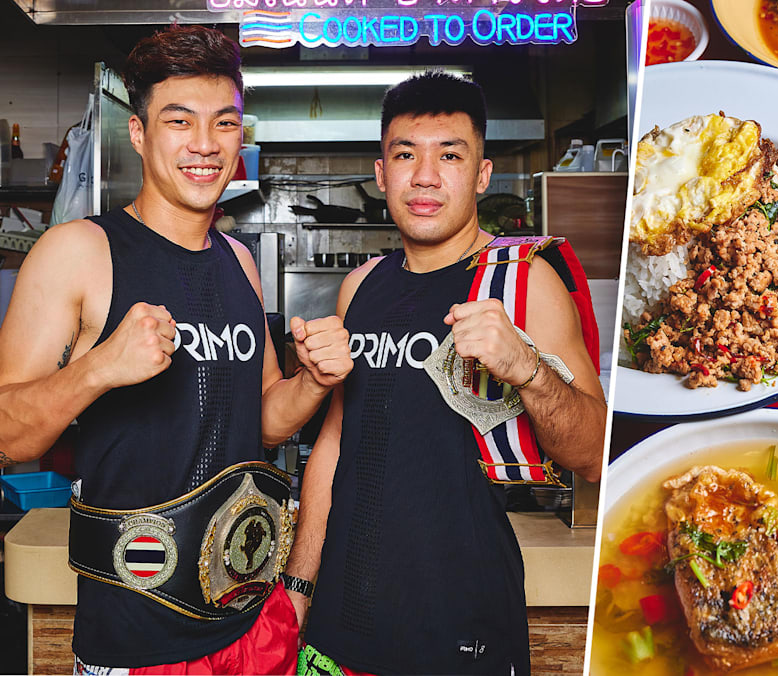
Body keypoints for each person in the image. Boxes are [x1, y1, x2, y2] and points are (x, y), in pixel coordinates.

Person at [0, 25, 352, 674]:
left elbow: (267, 419)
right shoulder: (78, 253)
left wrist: (314, 380)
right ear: (138, 134)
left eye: (224, 123)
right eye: (178, 120)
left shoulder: (241, 262)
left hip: (251, 619)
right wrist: (100, 367)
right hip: (136, 641)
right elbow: (8, 434)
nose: (204, 145)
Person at [285, 71, 607, 675]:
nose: (425, 176)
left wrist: (527, 369)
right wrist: (300, 586)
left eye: (450, 155)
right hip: (340, 624)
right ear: (382, 175)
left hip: (463, 628)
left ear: (482, 174)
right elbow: (334, 445)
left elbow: (593, 454)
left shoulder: (523, 283)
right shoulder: (360, 287)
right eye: (406, 155)